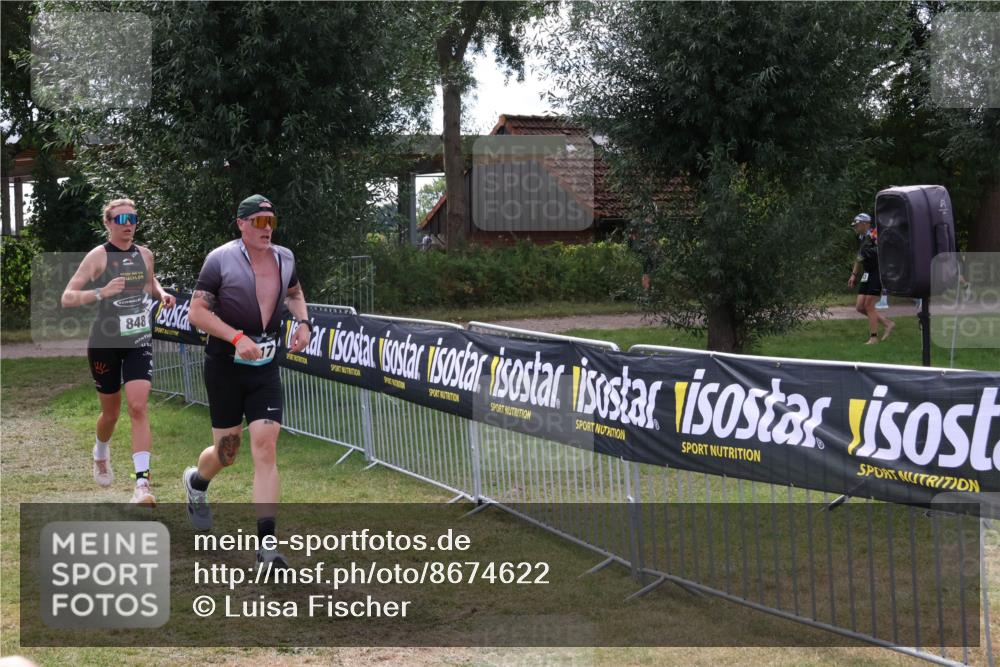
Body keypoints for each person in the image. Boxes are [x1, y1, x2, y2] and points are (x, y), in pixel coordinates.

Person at [182, 194, 311, 568]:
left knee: (266, 447)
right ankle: (197, 482)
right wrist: (237, 338)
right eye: (258, 222)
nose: (267, 228)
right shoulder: (220, 259)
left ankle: (267, 548)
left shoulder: (285, 257)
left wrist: (303, 322)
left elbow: (295, 292)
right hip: (225, 367)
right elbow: (197, 313)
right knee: (227, 452)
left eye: (271, 221)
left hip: (266, 370)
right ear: (241, 224)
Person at [61, 198, 176, 505]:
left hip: (137, 339)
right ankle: (100, 451)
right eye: (122, 219)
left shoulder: (145, 254)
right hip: (105, 342)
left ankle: (142, 484)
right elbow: (68, 297)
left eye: (133, 219)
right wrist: (102, 291)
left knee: (138, 406)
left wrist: (163, 294)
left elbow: (150, 281)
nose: (129, 224)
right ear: (108, 223)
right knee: (110, 414)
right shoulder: (98, 257)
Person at [847, 213, 894, 344]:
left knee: (868, 305)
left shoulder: (874, 235)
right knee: (859, 307)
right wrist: (854, 274)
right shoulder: (862, 237)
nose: (855, 227)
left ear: (865, 224)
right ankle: (887, 323)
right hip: (866, 273)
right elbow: (859, 257)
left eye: (857, 225)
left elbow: (887, 252)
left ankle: (873, 337)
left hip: (877, 272)